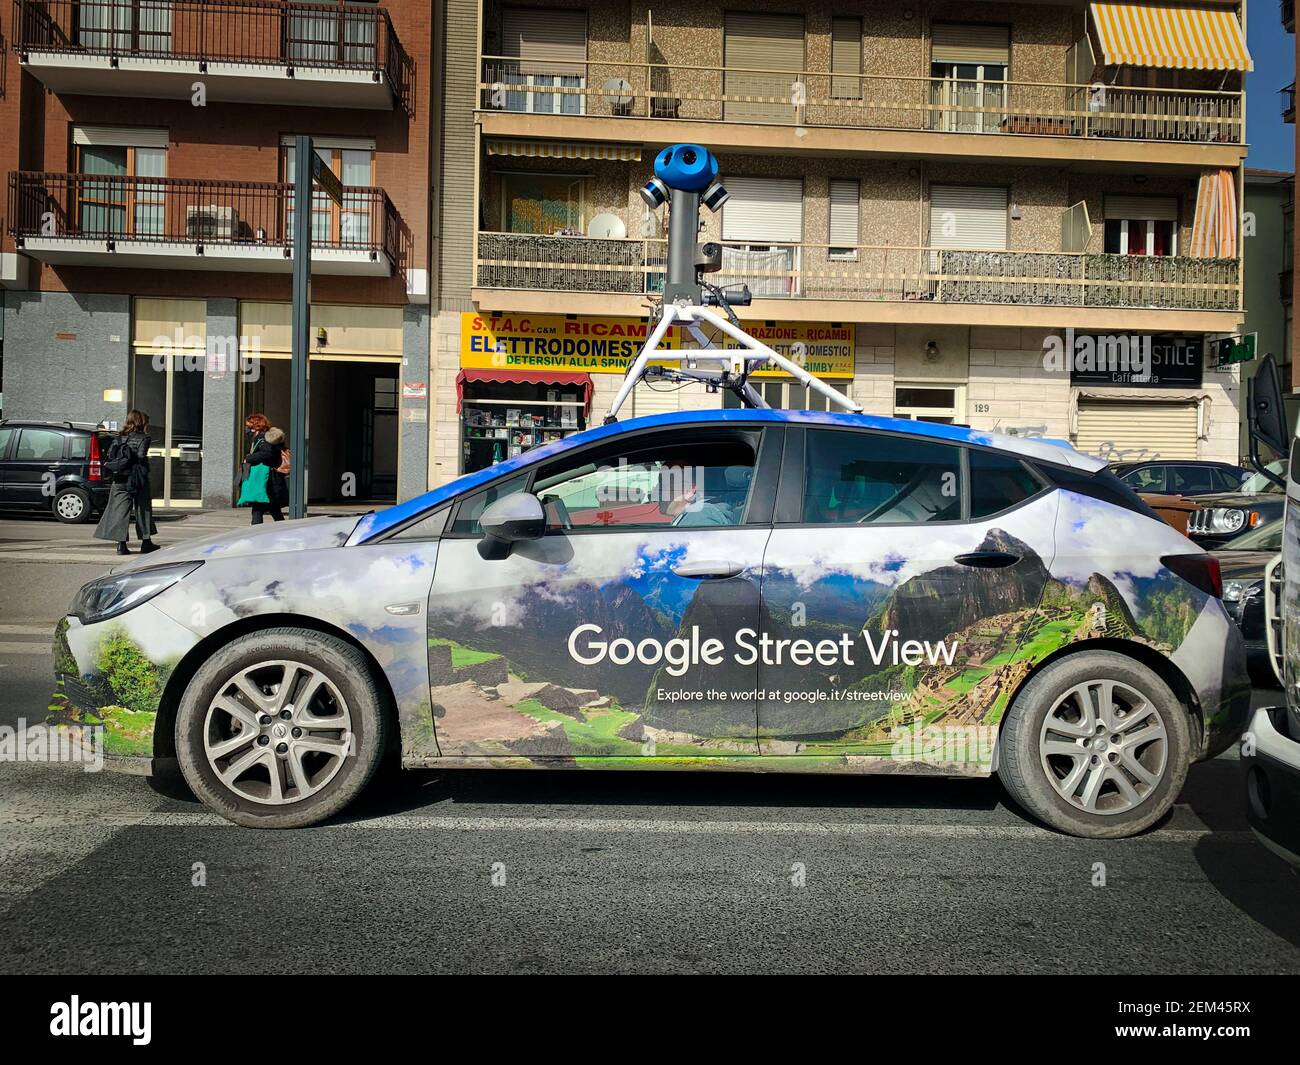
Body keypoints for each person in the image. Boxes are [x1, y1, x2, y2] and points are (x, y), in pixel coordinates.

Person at [94, 409, 159, 555]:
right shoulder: (144, 437)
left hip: (120, 479)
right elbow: (141, 456)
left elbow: (111, 455)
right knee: (143, 509)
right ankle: (146, 543)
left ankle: (121, 546)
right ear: (141, 422)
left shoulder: (119, 437)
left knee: (120, 511)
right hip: (137, 478)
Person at [244, 414, 290, 524]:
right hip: (271, 479)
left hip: (266, 480)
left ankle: (256, 532)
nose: (247, 429)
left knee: (258, 507)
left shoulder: (263, 439)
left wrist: (249, 458)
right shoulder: (267, 438)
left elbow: (267, 453)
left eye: (249, 426)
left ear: (256, 426)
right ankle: (283, 530)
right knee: (273, 508)